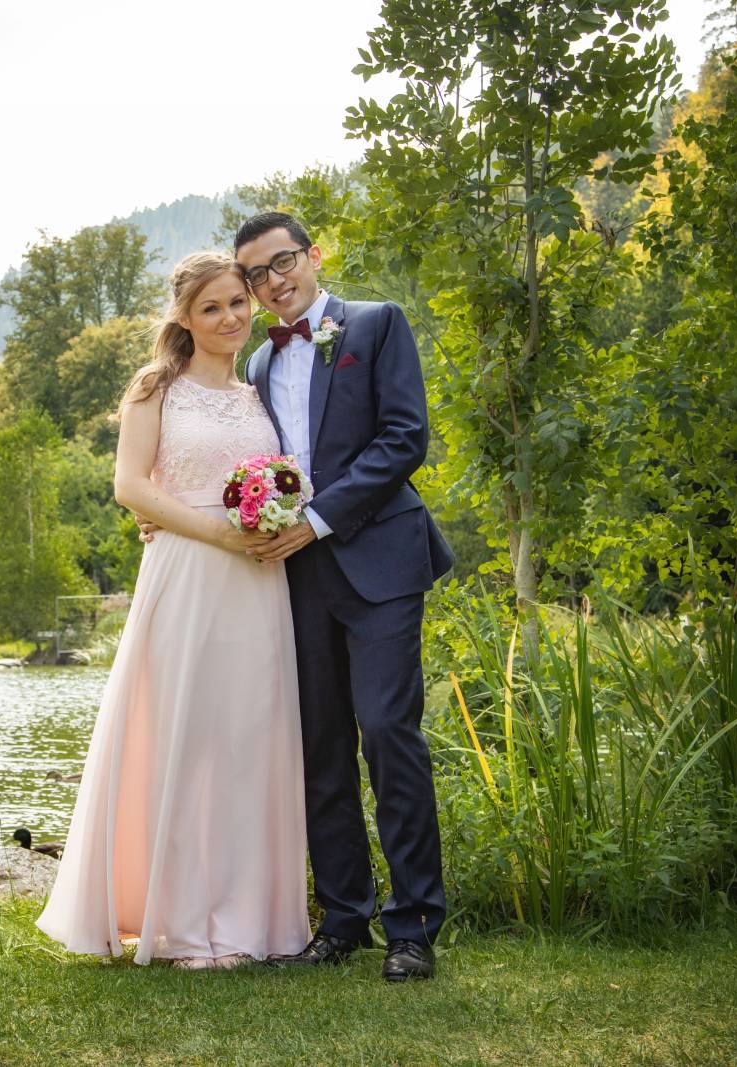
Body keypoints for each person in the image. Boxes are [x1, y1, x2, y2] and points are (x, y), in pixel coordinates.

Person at [35, 252, 311, 970]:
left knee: (249, 743)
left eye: (236, 303)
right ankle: (181, 922)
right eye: (211, 307)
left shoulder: (259, 391)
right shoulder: (155, 385)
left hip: (257, 582)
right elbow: (130, 484)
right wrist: (214, 530)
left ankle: (253, 919)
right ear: (184, 318)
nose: (229, 317)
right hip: (187, 575)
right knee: (183, 740)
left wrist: (277, 515)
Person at [233, 212, 454, 982]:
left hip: (380, 561)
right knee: (319, 744)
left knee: (389, 733)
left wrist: (319, 520)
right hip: (293, 576)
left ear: (312, 255)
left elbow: (403, 437)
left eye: (282, 261)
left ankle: (414, 925)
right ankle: (342, 917)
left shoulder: (375, 323)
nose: (273, 281)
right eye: (256, 274)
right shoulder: (256, 364)